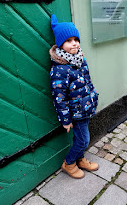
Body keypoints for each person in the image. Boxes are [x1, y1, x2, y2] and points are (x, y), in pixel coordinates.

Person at [49, 14, 99, 179]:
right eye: (69, 40)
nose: (74, 43)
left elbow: (87, 81)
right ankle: (69, 163)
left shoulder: (80, 59)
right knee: (83, 140)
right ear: (61, 44)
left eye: (76, 39)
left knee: (81, 138)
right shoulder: (59, 69)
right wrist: (65, 119)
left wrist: (93, 97)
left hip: (86, 107)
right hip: (75, 113)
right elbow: (59, 97)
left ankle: (80, 159)